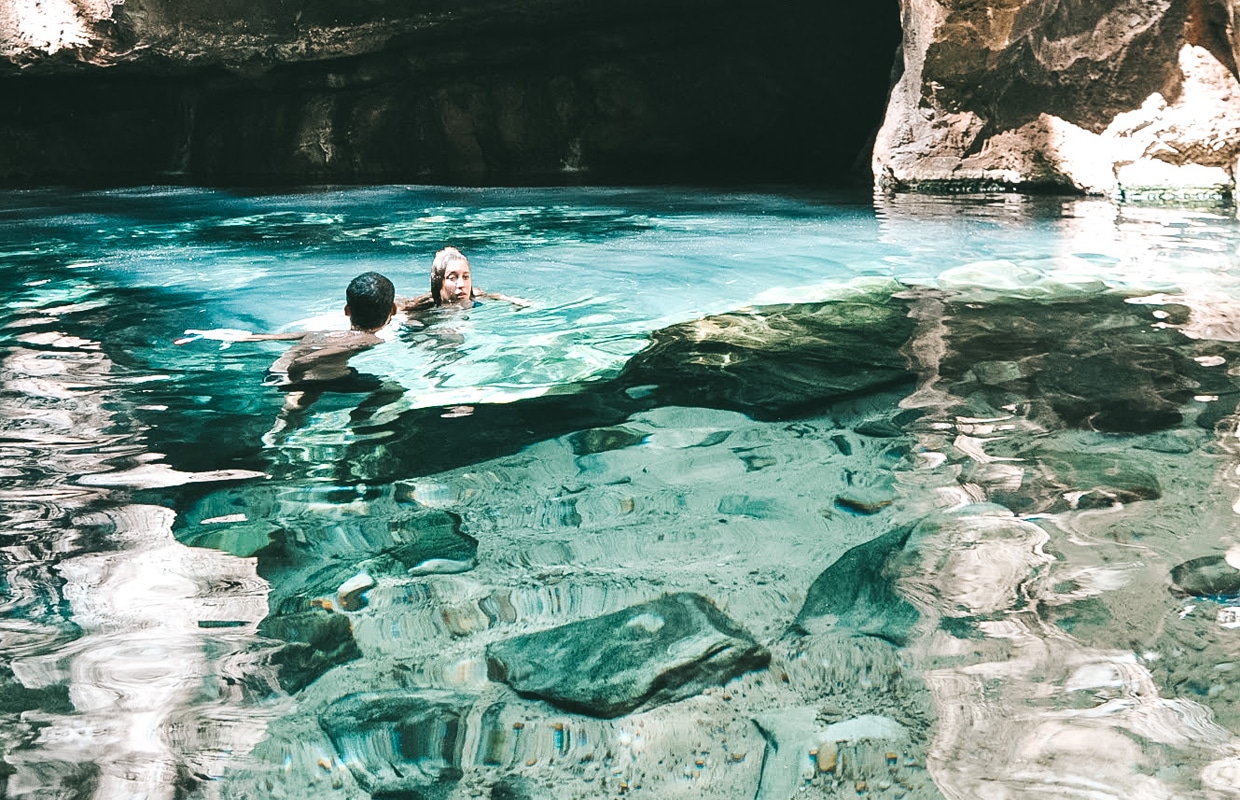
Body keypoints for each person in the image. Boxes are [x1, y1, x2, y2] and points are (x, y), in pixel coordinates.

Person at [177, 271, 398, 387]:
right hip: (295, 375)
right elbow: (303, 362)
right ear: (393, 310)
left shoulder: (324, 332)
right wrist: (296, 379)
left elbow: (273, 337)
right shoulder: (369, 340)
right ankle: (360, 421)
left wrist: (218, 335)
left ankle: (281, 428)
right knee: (391, 389)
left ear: (347, 310)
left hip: (274, 372)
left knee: (325, 376)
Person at [398, 246, 529, 312]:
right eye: (452, 278)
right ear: (439, 282)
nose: (461, 284)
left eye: (466, 277)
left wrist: (511, 300)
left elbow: (494, 296)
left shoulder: (475, 295)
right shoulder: (425, 306)